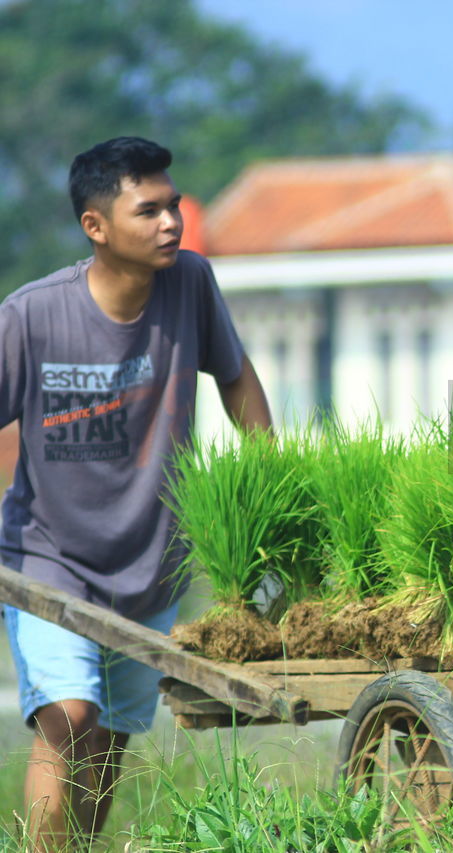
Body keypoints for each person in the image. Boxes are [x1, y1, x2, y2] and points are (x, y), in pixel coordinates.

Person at [0, 137, 272, 850]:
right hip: (48, 559)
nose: (171, 223)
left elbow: (237, 377)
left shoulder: (191, 285)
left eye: (173, 206)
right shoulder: (32, 316)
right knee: (68, 716)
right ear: (96, 227)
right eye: (148, 209)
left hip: (153, 564)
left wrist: (275, 483)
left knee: (109, 744)